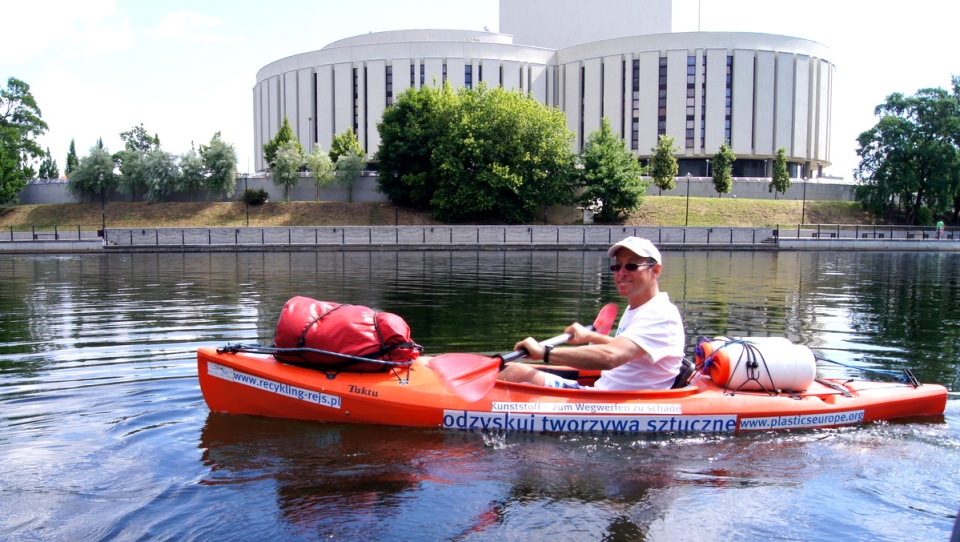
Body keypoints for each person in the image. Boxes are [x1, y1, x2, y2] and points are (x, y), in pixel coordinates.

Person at [499, 236, 685, 390]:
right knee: (514, 371)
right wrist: (591, 336)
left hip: (617, 404)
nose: (622, 273)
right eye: (617, 266)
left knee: (515, 373)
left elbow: (611, 357)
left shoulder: (660, 314)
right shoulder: (638, 308)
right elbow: (630, 349)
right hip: (605, 395)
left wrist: (544, 353)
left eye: (631, 266)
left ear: (656, 270)